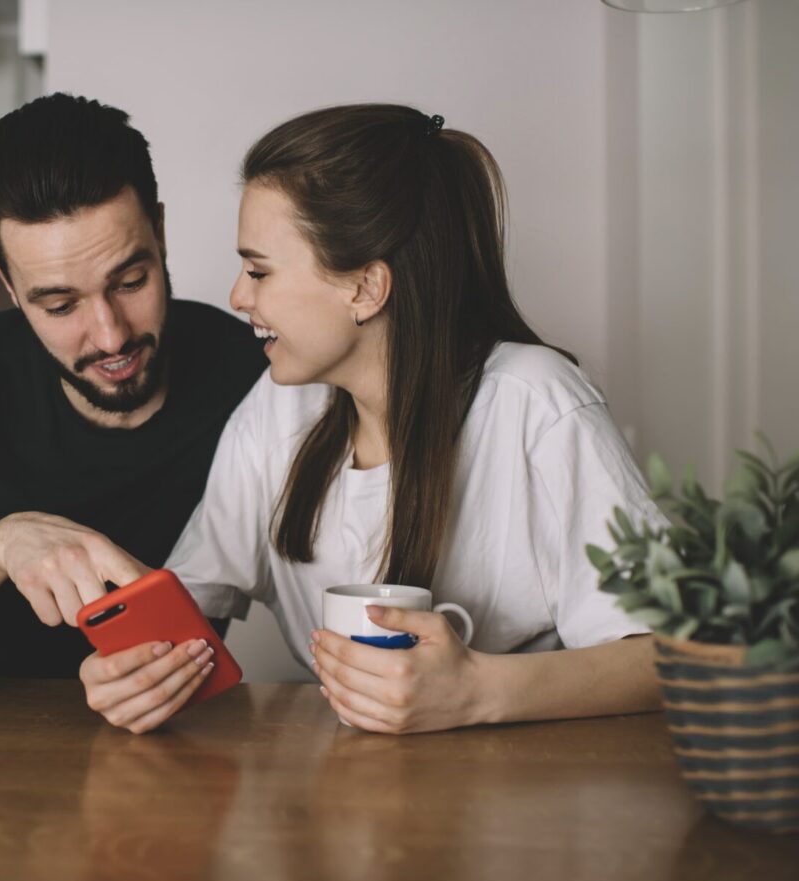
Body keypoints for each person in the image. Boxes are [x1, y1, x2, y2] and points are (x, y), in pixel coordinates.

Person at [80, 104, 664, 733]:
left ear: (365, 288)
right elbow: (187, 600)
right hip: (341, 782)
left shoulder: (537, 402)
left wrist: (477, 690)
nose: (238, 297)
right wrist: (130, 669)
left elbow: (677, 654)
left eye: (258, 271)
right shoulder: (278, 408)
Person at [0, 93, 266, 676]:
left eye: (131, 281)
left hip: (174, 722)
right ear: (8, 285)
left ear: (159, 231)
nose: (110, 335)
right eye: (60, 305)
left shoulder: (256, 376)